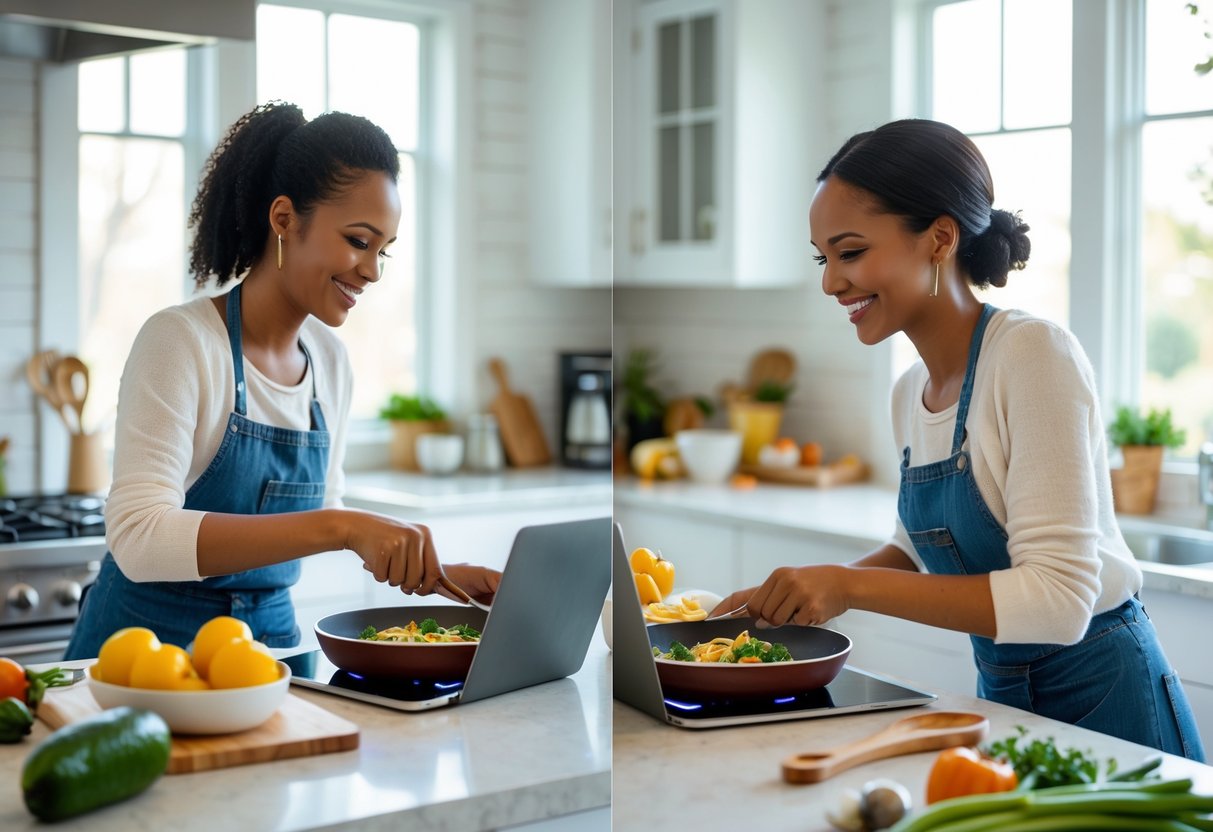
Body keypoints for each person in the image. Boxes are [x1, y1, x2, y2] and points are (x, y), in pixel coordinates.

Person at [712, 118, 1205, 761]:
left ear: (940, 238)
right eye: (823, 258)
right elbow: (914, 549)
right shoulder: (908, 393)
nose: (831, 282)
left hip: (1108, 699)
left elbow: (1059, 601)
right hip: (1000, 698)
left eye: (851, 252)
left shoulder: (1032, 355)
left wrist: (848, 585)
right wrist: (795, 598)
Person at [65, 102, 499, 659]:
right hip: (142, 658)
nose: (371, 271)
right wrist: (341, 526)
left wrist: (440, 576)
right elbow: (139, 539)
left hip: (270, 656)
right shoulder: (181, 342)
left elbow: (326, 509)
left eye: (383, 252)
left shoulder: (330, 363)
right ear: (284, 219)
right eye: (359, 241)